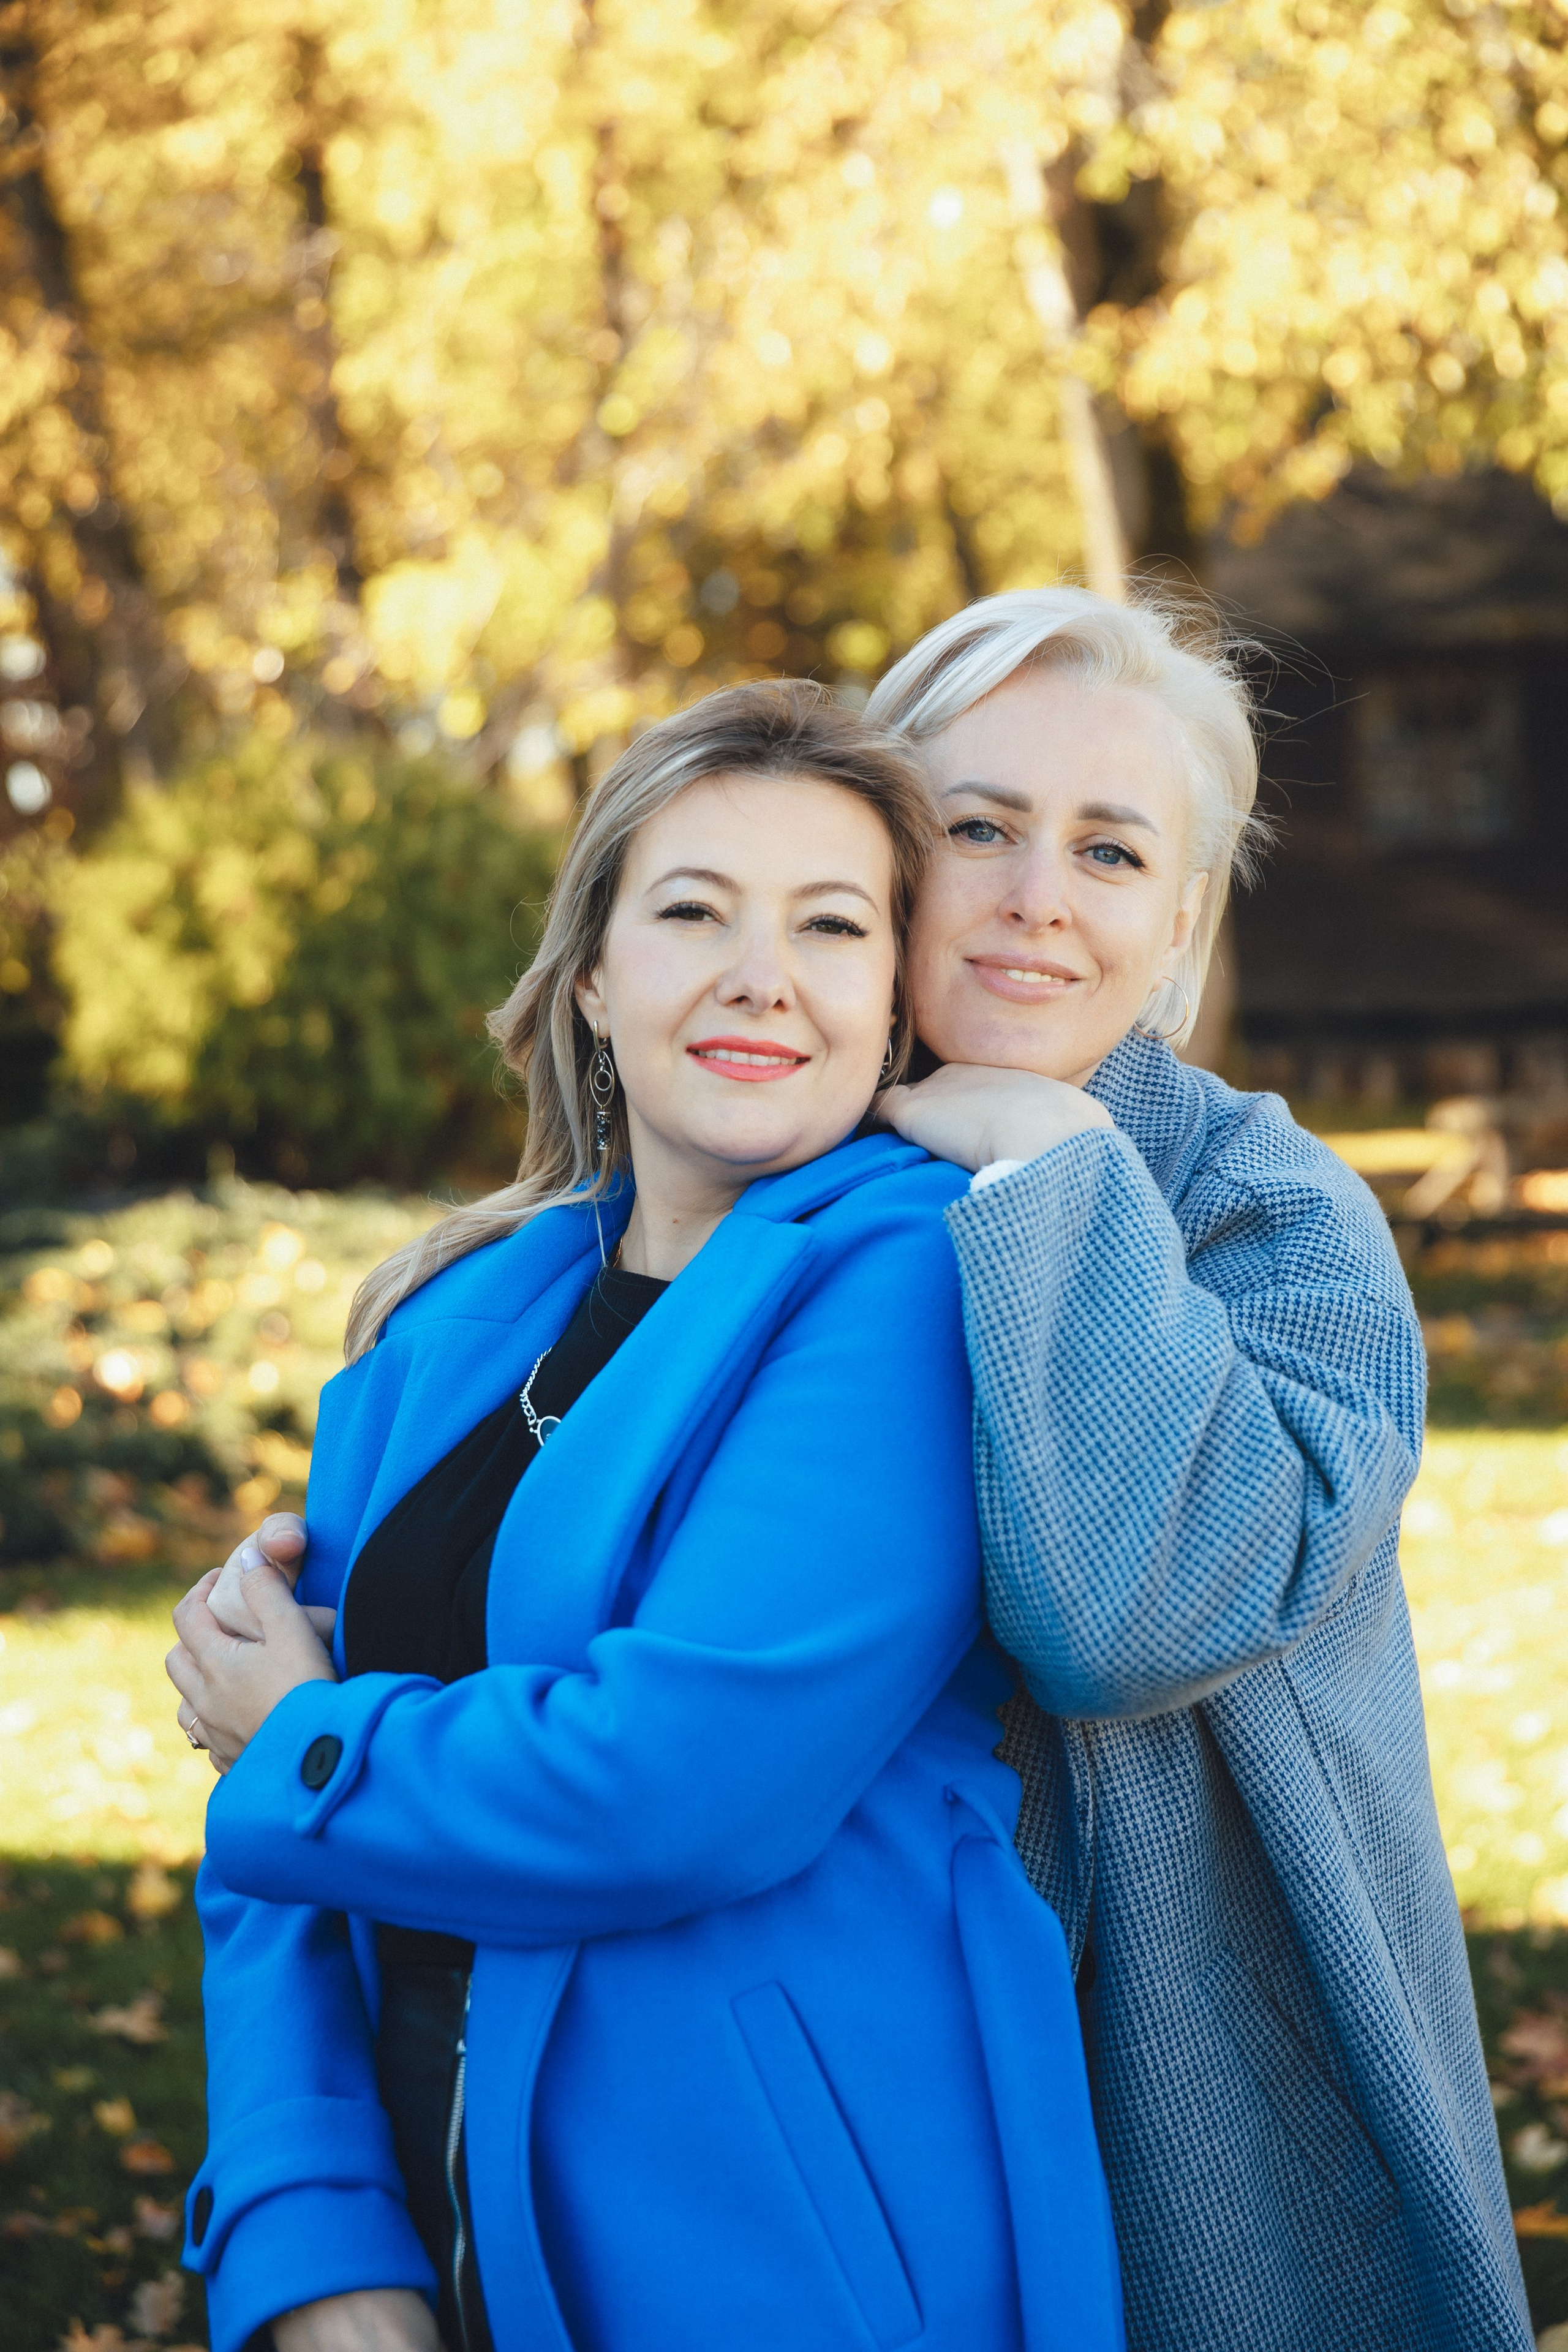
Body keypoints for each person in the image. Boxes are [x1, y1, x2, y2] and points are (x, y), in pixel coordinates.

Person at [166, 680, 1125, 2352]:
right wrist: (307, 2237)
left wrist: (309, 1740)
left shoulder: (910, 1284)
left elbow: (672, 1788)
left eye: (832, 925)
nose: (762, 974)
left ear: (893, 998)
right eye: (694, 912)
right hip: (414, 2195)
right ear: (596, 978)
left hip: (770, 2250)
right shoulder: (448, 1324)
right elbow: (265, 1850)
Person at [867, 587, 1531, 2352]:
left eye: (1109, 850)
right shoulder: (777, 1187)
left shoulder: (1277, 1219)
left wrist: (1048, 1163)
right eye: (979, 827)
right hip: (860, 2066)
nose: (1039, 895)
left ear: (1176, 921)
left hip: (1207, 2112)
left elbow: (1132, 1613)